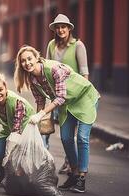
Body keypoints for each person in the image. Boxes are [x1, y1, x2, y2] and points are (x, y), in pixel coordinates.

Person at [14, 45, 100, 193]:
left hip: (84, 98)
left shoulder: (53, 69)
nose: (27, 63)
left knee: (81, 137)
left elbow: (60, 97)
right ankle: (73, 173)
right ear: (20, 64)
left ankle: (81, 177)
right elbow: (40, 100)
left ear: (37, 58)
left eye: (29, 58)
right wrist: (36, 120)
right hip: (67, 104)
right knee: (66, 138)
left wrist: (42, 114)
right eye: (23, 61)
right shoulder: (32, 78)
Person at [46, 13, 90, 174]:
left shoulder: (78, 46)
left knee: (77, 134)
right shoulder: (51, 45)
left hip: (76, 96)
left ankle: (75, 167)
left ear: (69, 29)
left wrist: (83, 96)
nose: (60, 30)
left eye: (63, 27)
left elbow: (85, 73)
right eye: (57, 27)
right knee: (66, 134)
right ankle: (71, 163)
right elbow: (47, 67)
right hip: (58, 96)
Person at [0, 72, 35, 182]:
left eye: (0, 89)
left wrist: (8, 157)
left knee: (21, 161)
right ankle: (5, 180)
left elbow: (17, 129)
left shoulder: (16, 102)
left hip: (27, 131)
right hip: (8, 131)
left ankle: (23, 182)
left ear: (6, 88)